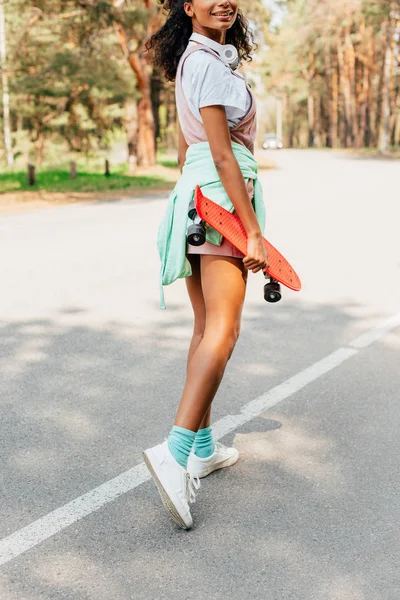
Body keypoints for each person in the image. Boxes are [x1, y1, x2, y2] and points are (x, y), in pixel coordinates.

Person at [143, 0, 269, 530]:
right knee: (224, 328)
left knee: (204, 329)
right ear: (188, 7)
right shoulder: (207, 64)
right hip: (220, 199)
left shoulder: (200, 60)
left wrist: (191, 201)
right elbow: (220, 153)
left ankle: (203, 448)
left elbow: (186, 151)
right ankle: (175, 453)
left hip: (201, 198)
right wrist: (253, 229)